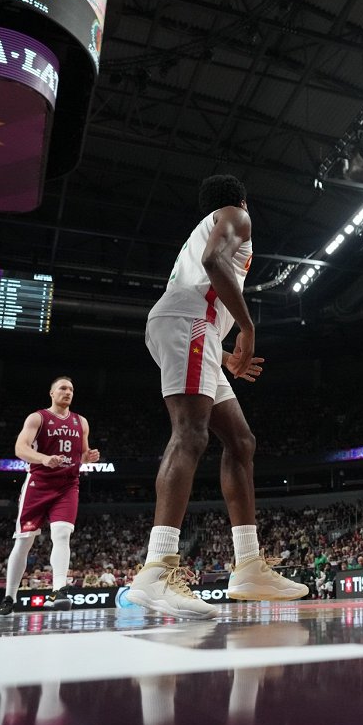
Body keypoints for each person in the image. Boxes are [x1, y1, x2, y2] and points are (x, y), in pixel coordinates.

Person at [131, 174, 307, 619]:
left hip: (199, 331)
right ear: (242, 202)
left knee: (241, 441)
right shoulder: (236, 217)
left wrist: (224, 354)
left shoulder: (207, 226)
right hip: (190, 325)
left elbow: (206, 279)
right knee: (190, 435)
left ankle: (248, 565)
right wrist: (248, 328)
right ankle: (156, 571)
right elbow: (213, 263)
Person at [0, 376, 100, 617]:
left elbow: (81, 454)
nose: (68, 392)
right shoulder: (38, 418)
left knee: (62, 534)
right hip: (39, 484)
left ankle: (59, 590)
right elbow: (20, 448)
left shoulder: (80, 421)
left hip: (68, 485)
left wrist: (89, 456)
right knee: (24, 542)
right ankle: (9, 596)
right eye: (63, 388)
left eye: (71, 389)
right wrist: (43, 458)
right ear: (51, 393)